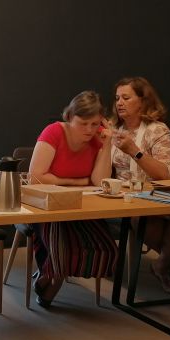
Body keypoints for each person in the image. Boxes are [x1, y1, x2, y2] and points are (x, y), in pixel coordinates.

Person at [28, 91, 116, 307]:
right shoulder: (54, 132)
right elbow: (36, 177)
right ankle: (52, 279)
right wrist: (78, 182)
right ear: (69, 117)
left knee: (107, 249)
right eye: (83, 123)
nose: (89, 130)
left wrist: (107, 145)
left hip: (82, 206)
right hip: (47, 206)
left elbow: (99, 181)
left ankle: (47, 275)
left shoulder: (99, 139)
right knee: (62, 249)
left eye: (95, 124)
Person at [109, 76, 170, 295]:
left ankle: (161, 264)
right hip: (130, 199)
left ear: (143, 101)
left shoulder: (157, 130)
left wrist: (134, 151)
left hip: (165, 193)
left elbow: (165, 175)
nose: (119, 103)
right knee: (146, 220)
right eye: (117, 98)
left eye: (126, 98)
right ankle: (169, 264)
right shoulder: (113, 130)